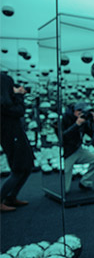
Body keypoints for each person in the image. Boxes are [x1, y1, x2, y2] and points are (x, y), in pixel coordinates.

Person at [0, 72, 34, 212]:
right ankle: (1, 199)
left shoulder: (6, 101)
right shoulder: (3, 103)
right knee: (18, 170)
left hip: (16, 137)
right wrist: (19, 96)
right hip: (13, 138)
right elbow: (19, 111)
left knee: (27, 167)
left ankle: (11, 197)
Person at [60, 101, 94, 193]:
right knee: (65, 190)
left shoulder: (83, 119)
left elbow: (93, 135)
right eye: (82, 112)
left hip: (79, 150)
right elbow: (63, 138)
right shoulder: (65, 119)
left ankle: (85, 183)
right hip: (68, 152)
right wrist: (76, 124)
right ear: (76, 111)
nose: (83, 114)